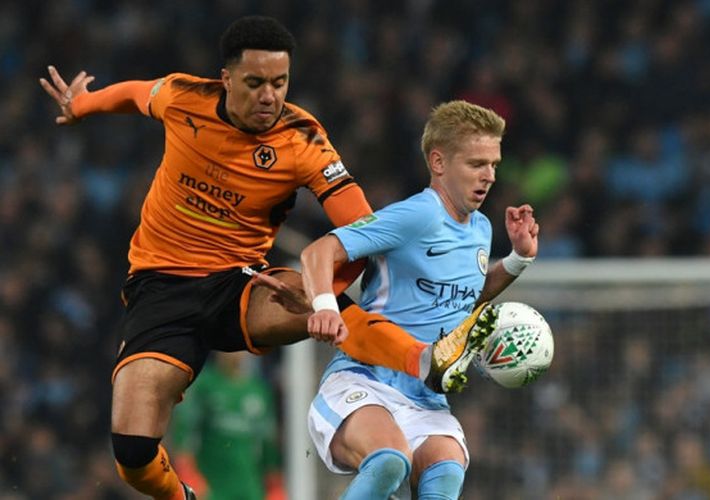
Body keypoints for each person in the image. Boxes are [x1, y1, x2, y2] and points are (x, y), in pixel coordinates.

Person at [39, 15, 491, 500]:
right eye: (255, 83)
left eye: (279, 83)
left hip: (241, 283)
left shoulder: (304, 140)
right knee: (132, 455)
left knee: (318, 299)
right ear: (226, 79)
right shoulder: (184, 97)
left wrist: (323, 296)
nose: (269, 96)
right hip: (160, 287)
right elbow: (135, 94)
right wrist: (84, 103)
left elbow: (362, 233)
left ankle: (421, 360)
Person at [300, 100, 539, 499]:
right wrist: (325, 306)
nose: (489, 176)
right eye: (476, 163)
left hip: (425, 397)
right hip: (365, 380)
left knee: (446, 471)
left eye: (494, 164)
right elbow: (317, 254)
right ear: (439, 162)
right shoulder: (415, 215)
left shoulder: (480, 228)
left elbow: (462, 300)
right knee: (390, 461)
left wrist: (517, 261)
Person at [169, 352, 285, 500]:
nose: (236, 351)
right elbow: (183, 433)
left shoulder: (259, 391)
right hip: (212, 491)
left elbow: (269, 444)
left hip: (250, 490)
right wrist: (189, 476)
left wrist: (275, 487)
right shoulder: (203, 385)